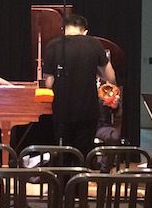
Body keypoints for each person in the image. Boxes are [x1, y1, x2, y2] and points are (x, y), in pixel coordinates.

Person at [43, 14, 116, 157]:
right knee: (83, 155)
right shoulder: (94, 44)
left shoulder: (53, 45)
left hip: (62, 110)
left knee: (64, 154)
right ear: (85, 30)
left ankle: (64, 171)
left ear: (63, 29)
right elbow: (110, 77)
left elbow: (49, 83)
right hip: (87, 110)